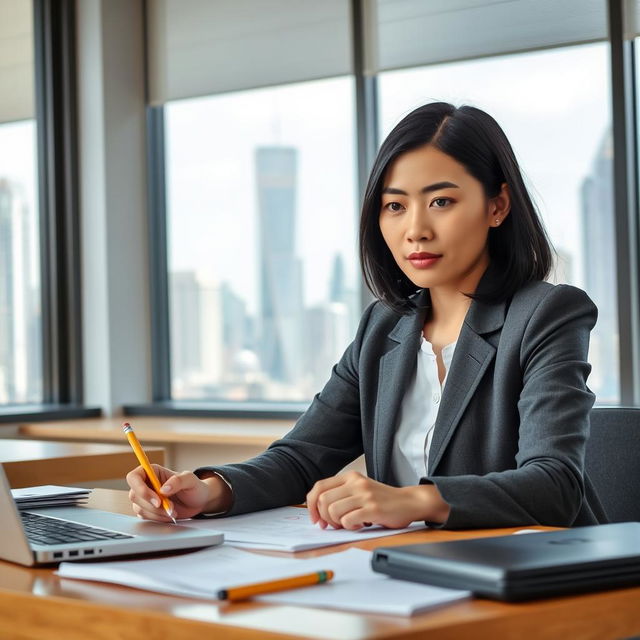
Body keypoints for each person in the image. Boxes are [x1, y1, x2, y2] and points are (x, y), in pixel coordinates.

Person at [127, 102, 606, 530]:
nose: (415, 229)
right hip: (410, 576)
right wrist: (208, 491)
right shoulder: (384, 327)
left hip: (536, 583)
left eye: (441, 201)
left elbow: (555, 486)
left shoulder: (546, 314)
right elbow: (302, 457)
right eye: (395, 206)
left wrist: (415, 501)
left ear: (497, 205)